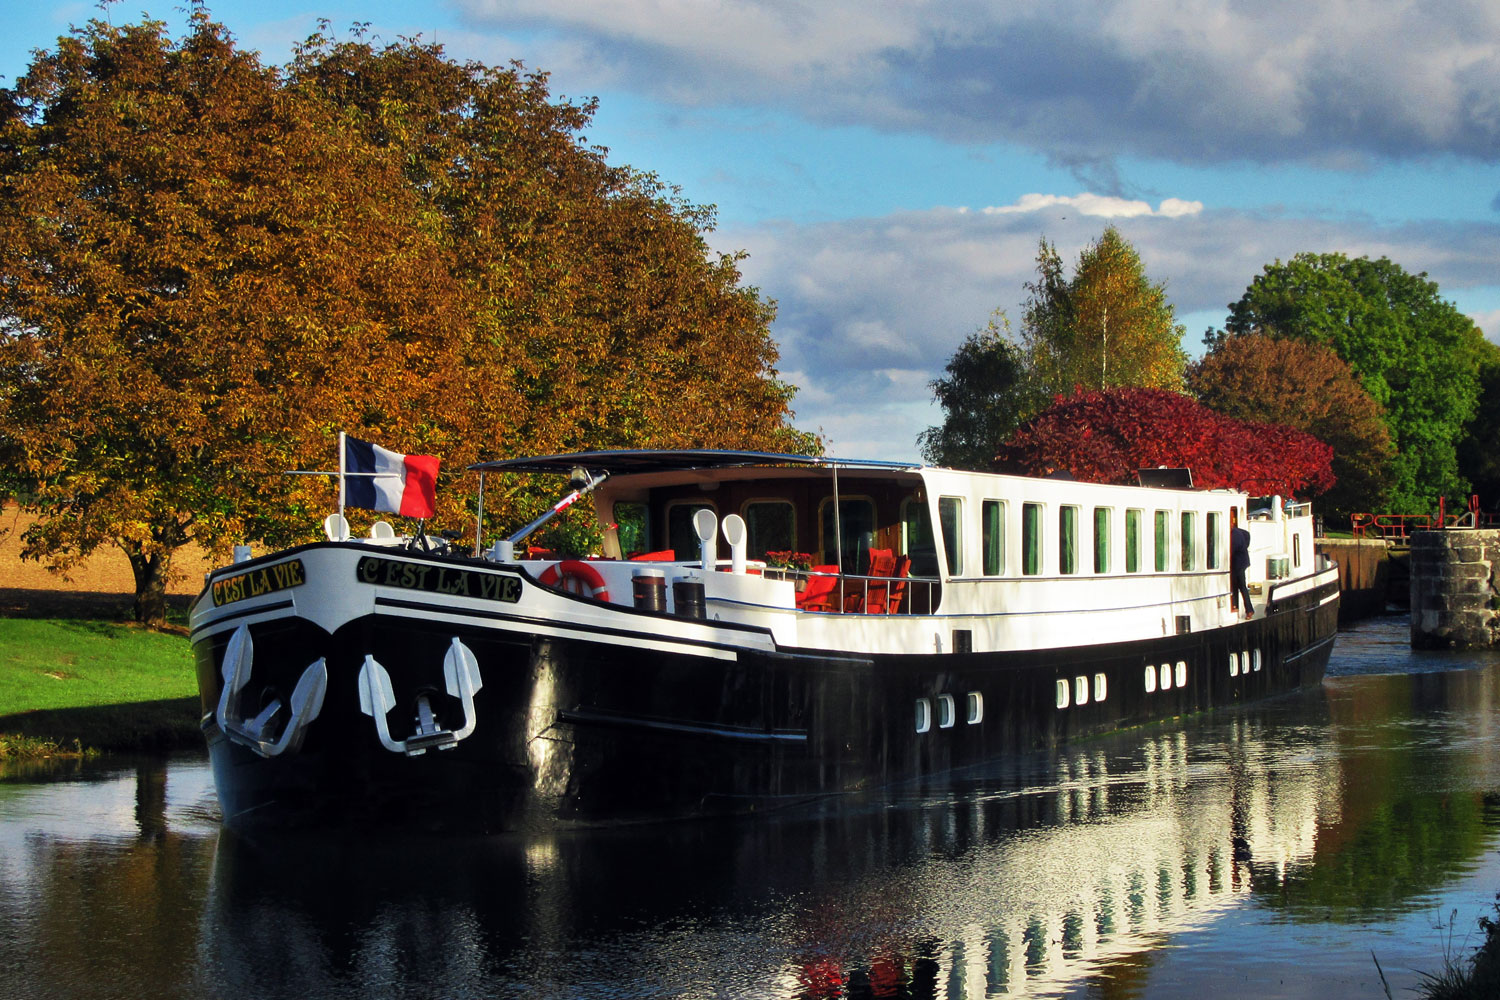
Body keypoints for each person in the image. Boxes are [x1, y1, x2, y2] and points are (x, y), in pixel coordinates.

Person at [1230, 524, 1253, 618]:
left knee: (1238, 585)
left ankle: (1243, 608)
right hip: (1242, 563)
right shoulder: (1239, 532)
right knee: (1241, 586)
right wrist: (1246, 546)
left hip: (1238, 564)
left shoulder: (1234, 535)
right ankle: (1245, 609)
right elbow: (1247, 534)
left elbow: (1232, 550)